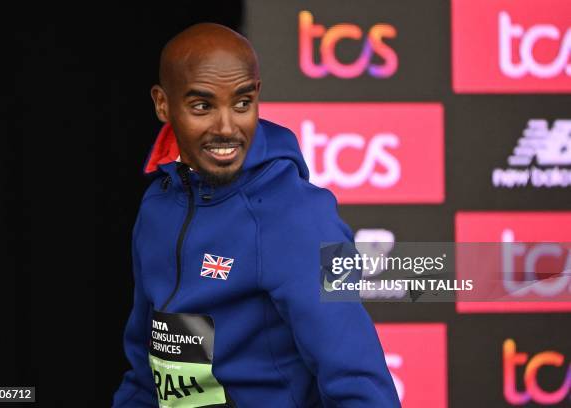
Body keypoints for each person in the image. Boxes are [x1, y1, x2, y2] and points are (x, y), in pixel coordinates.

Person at [112, 23, 400, 408]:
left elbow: (360, 383)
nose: (227, 127)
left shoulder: (297, 216)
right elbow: (147, 376)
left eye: (242, 103)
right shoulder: (157, 206)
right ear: (163, 104)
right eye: (202, 106)